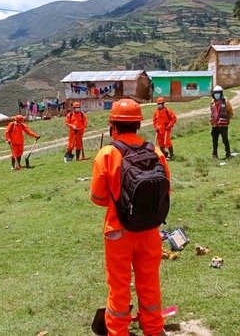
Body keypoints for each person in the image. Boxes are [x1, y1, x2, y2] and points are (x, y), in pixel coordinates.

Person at [90, 98, 170, 336]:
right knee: (150, 285)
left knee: (119, 287)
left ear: (112, 125)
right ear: (138, 124)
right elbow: (165, 190)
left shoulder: (106, 154)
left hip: (118, 232)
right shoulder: (155, 151)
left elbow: (97, 198)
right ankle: (154, 330)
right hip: (149, 231)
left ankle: (119, 332)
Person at [209, 85, 233, 159]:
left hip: (223, 125)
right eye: (215, 93)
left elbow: (230, 112)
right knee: (214, 140)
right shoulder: (212, 102)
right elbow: (212, 112)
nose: (217, 95)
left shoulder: (226, 102)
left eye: (218, 93)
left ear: (221, 93)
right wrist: (211, 119)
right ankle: (215, 155)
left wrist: (226, 119)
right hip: (214, 125)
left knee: (225, 139)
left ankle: (228, 154)